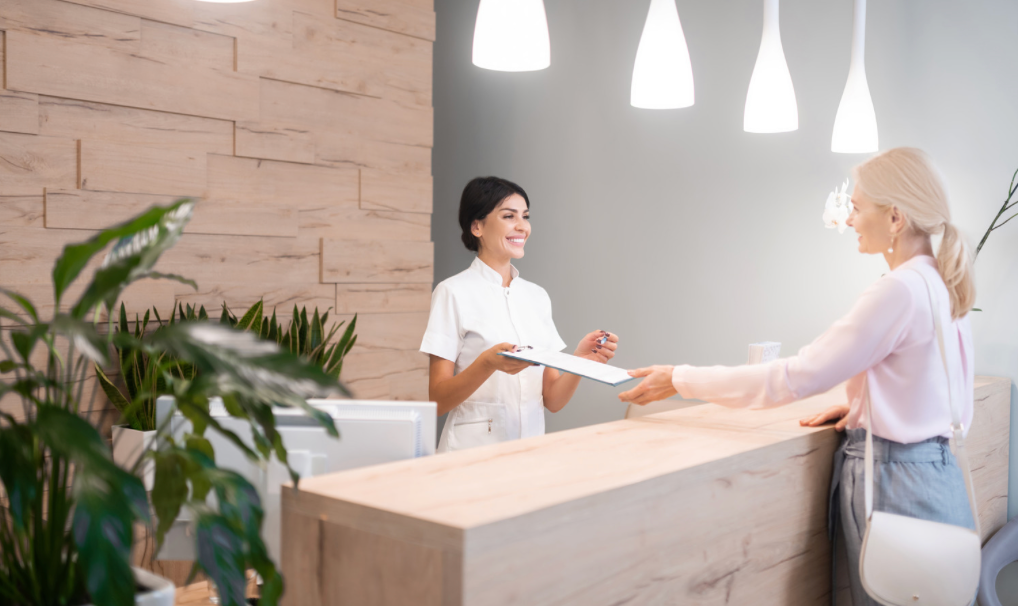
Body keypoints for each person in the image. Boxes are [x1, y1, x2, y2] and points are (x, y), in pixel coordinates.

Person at [618, 148, 976, 606]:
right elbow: (941, 388)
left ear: (895, 218)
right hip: (933, 478)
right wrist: (868, 404)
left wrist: (680, 378)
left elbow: (792, 378)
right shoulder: (941, 282)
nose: (849, 220)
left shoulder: (900, 290)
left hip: (897, 482)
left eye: (857, 207)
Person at [421, 176, 620, 453]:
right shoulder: (452, 292)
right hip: (470, 454)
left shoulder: (537, 297)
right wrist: (488, 363)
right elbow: (437, 400)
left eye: (525, 216)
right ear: (477, 226)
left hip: (530, 453)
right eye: (508, 216)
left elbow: (552, 400)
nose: (522, 226)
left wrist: (581, 361)